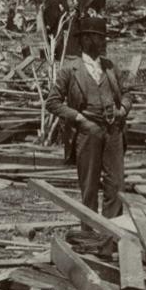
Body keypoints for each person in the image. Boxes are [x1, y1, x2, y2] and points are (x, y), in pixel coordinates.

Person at [45, 19, 127, 223]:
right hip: (87, 132)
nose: (101, 42)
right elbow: (52, 102)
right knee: (89, 187)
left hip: (113, 132)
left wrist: (123, 108)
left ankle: (112, 238)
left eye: (102, 37)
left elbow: (127, 94)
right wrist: (78, 117)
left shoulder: (110, 67)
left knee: (116, 186)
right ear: (85, 40)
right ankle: (89, 237)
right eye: (97, 37)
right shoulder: (70, 69)